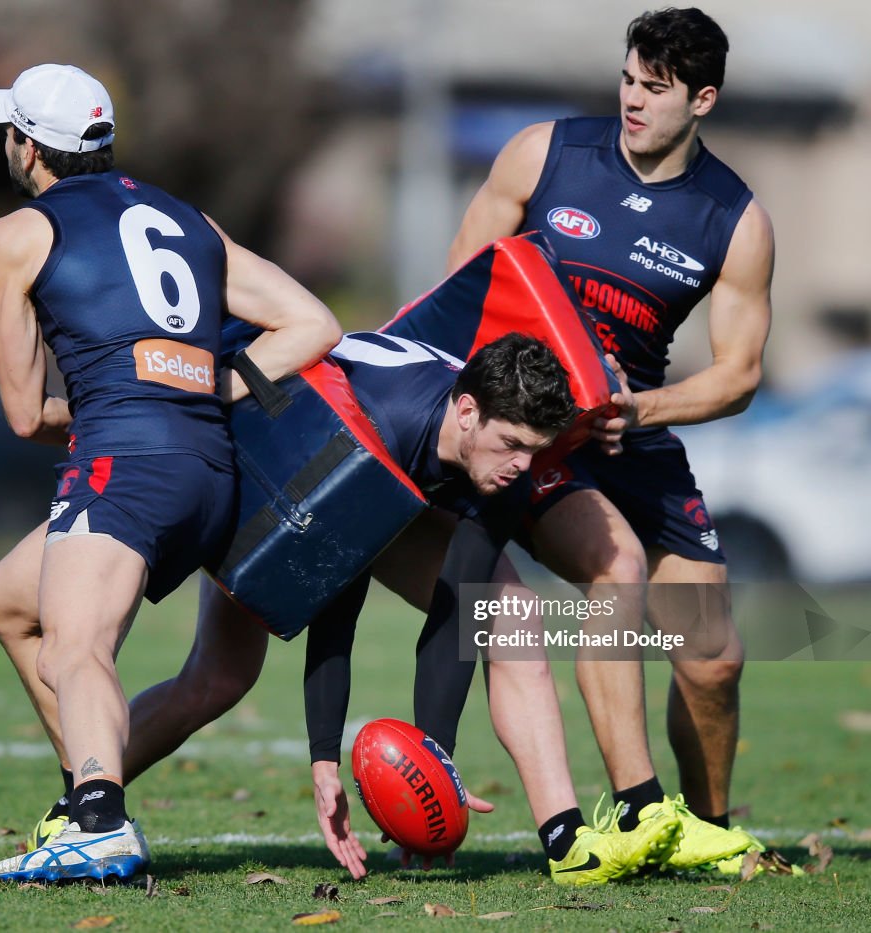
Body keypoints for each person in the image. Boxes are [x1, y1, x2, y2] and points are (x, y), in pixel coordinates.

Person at [0, 330, 685, 886]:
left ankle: (566, 838)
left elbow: (458, 609)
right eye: (512, 446)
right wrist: (324, 759)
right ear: (467, 412)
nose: (522, 467)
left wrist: (432, 764)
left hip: (336, 472)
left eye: (534, 451)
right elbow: (336, 602)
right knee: (208, 673)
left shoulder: (499, 457)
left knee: (508, 613)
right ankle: (83, 806)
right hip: (254, 455)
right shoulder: (387, 428)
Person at [0, 63, 341, 884]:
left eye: (11, 132)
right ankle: (84, 798)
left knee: (75, 646)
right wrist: (203, 385)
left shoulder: (15, 236)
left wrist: (115, 402)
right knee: (8, 599)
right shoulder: (187, 217)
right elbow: (313, 322)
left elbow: (26, 415)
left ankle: (100, 822)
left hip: (125, 463)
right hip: (212, 471)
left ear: (30, 148)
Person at [442, 7, 774, 873]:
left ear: (702, 100)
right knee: (610, 567)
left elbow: (739, 374)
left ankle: (702, 828)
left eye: (655, 89)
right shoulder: (543, 154)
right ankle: (637, 806)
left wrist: (642, 409)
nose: (633, 99)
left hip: (632, 426)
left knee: (714, 658)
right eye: (628, 79)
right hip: (538, 430)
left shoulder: (733, 218)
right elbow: (457, 286)